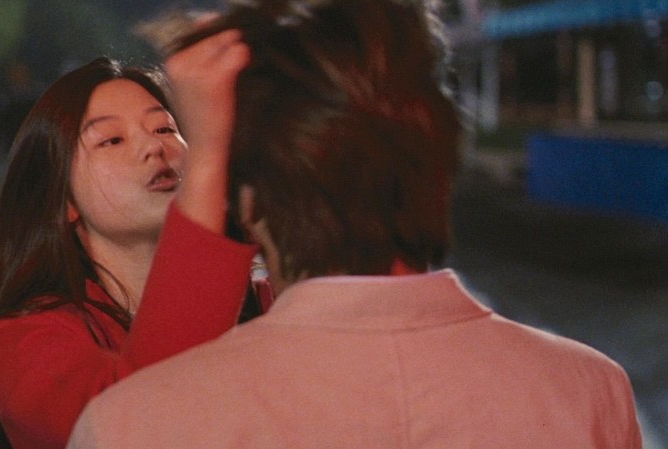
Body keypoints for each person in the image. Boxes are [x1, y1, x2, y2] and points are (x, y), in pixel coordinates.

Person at [66, 0, 644, 448]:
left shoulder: (134, 423)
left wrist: (212, 159)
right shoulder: (591, 392)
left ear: (244, 198)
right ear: (439, 156)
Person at [0, 29, 259, 449]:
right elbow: (138, 422)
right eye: (111, 140)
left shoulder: (267, 299)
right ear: (62, 201)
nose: (153, 148)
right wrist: (209, 159)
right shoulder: (22, 343)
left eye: (164, 128)